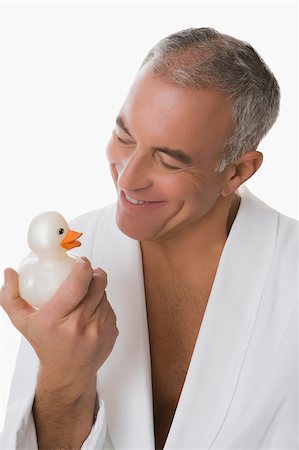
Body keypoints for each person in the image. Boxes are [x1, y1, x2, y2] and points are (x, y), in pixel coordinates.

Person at [0, 27, 297, 449]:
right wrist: (64, 380)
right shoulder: (71, 260)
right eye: (125, 137)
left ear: (237, 172)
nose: (129, 177)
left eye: (169, 160)